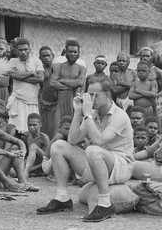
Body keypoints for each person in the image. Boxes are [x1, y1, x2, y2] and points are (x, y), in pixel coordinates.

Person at [37, 81, 134, 222]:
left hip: (121, 165)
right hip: (98, 161)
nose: (91, 100)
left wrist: (87, 114)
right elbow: (72, 140)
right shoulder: (93, 114)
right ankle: (62, 197)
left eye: (95, 95)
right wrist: (78, 112)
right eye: (89, 95)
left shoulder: (120, 115)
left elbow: (99, 140)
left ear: (107, 95)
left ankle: (105, 204)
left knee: (93, 150)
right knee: (58, 146)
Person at [5, 37, 44, 133]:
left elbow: (40, 78)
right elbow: (13, 75)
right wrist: (31, 73)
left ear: (30, 50)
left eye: (25, 49)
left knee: (32, 129)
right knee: (14, 127)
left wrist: (20, 76)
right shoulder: (12, 61)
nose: (23, 52)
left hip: (32, 100)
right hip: (18, 100)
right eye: (20, 50)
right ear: (16, 50)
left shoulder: (36, 61)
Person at [51, 38, 87, 127]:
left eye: (75, 52)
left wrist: (62, 81)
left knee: (74, 127)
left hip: (75, 101)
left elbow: (80, 82)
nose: (72, 54)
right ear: (66, 52)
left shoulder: (81, 68)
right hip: (60, 100)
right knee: (58, 126)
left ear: (79, 53)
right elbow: (52, 82)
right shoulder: (58, 66)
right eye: (70, 52)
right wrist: (71, 87)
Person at [22, 113, 51, 178]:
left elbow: (48, 159)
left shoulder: (44, 138)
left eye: (34, 125)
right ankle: (28, 171)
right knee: (12, 171)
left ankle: (25, 173)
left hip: (42, 165)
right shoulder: (26, 135)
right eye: (30, 125)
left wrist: (30, 169)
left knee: (33, 146)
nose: (32, 127)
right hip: (31, 164)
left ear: (40, 125)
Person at [38, 46, 58, 138]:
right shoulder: (39, 71)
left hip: (55, 103)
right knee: (42, 126)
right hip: (42, 102)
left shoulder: (57, 69)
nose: (46, 58)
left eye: (48, 55)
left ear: (53, 56)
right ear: (40, 58)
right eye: (43, 56)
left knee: (53, 127)